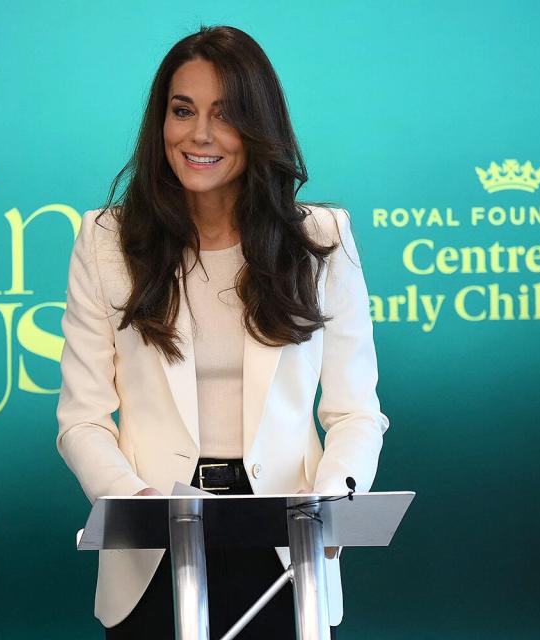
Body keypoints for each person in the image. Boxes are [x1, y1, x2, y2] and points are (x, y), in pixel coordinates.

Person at [56, 25, 389, 639]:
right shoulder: (106, 242)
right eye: (183, 111)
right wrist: (136, 500)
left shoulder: (322, 240)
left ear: (258, 129)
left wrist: (331, 506)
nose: (199, 135)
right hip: (152, 555)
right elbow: (82, 419)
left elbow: (355, 413)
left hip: (291, 551)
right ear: (161, 123)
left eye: (225, 114)